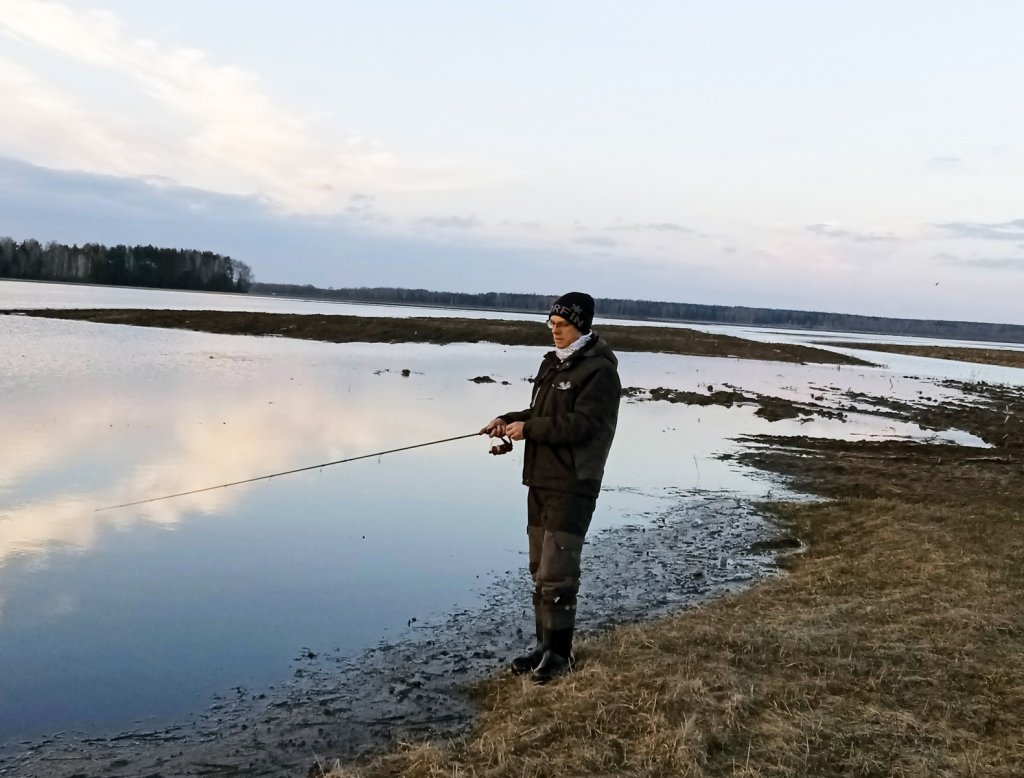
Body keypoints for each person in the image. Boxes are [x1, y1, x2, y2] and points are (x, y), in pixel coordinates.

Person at [482, 292, 621, 683]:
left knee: (557, 574)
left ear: (580, 325)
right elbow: (542, 415)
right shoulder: (551, 364)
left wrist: (530, 429)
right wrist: (508, 419)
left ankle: (561, 655)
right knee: (538, 570)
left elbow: (584, 425)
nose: (554, 332)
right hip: (540, 480)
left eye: (561, 325)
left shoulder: (600, 372)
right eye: (551, 325)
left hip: (574, 483)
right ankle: (544, 647)